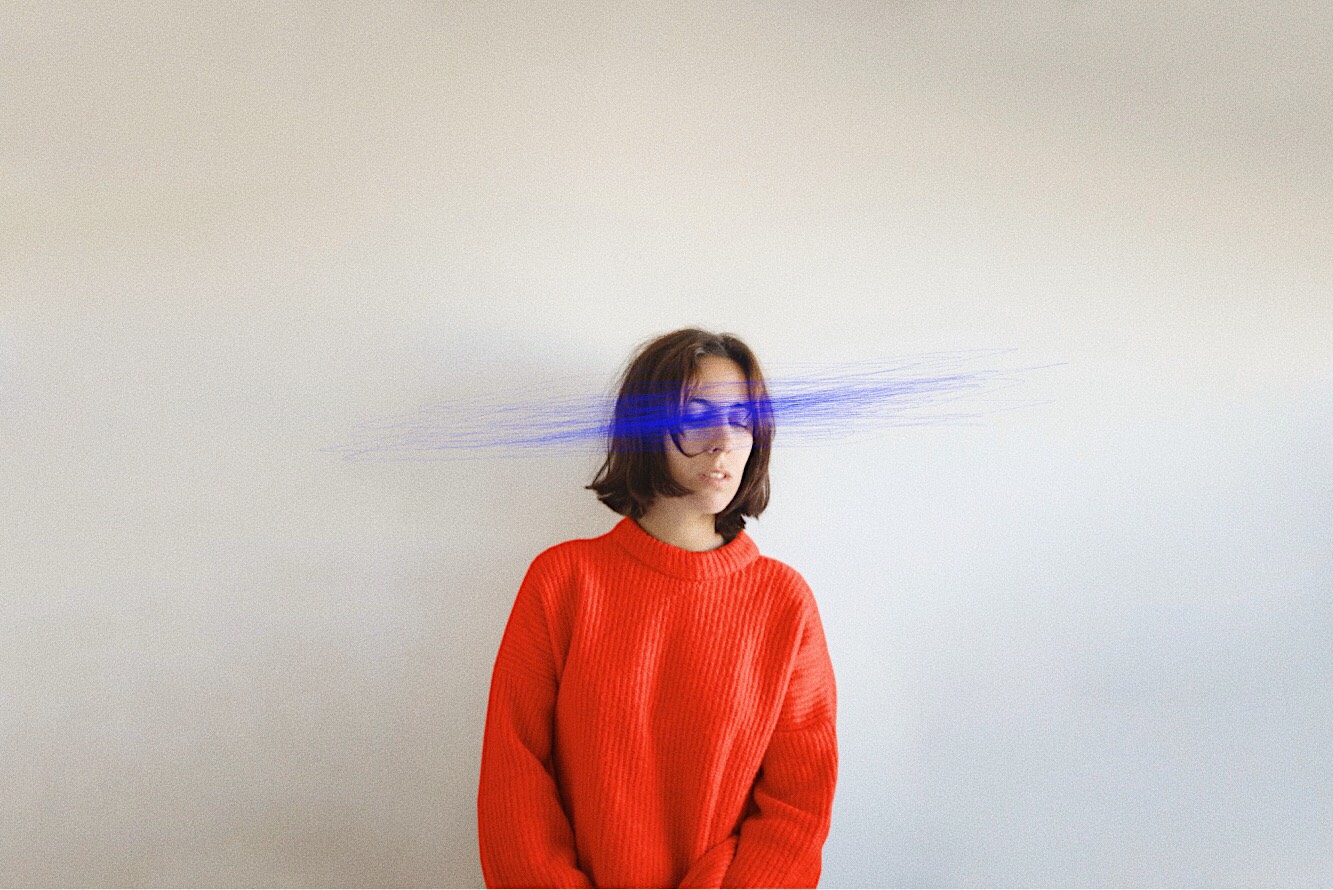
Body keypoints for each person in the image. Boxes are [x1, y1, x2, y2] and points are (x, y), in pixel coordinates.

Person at [477, 328, 838, 888]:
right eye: (696, 417)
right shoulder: (563, 582)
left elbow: (799, 806)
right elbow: (514, 776)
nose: (723, 440)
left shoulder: (784, 603)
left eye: (742, 420)